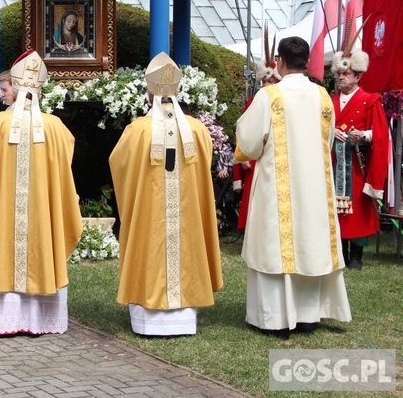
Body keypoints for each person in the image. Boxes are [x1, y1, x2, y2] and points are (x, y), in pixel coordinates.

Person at [235, 36, 351, 335]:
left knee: (275, 244)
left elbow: (248, 141)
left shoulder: (270, 96)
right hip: (313, 185)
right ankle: (308, 314)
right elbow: (326, 141)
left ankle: (273, 318)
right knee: (308, 242)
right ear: (306, 61)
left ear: (280, 61)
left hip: (278, 186)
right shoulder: (324, 97)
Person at [109, 52, 223, 336]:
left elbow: (118, 165)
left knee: (150, 245)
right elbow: (205, 168)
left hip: (149, 216)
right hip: (188, 216)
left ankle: (149, 320)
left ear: (149, 95)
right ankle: (184, 318)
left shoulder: (137, 130)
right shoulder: (197, 130)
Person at [0, 50, 83, 335]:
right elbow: (65, 160)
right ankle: (40, 319)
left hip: (5, 213)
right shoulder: (55, 127)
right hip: (41, 214)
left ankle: (5, 318)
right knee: (40, 244)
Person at [331, 46, 388, 270]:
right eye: (339, 74)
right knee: (337, 209)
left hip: (357, 163)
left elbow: (381, 134)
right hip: (335, 164)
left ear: (358, 76)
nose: (341, 78)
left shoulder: (370, 100)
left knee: (358, 210)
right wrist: (329, 132)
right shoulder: (330, 102)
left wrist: (363, 134)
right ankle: (341, 252)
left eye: (345, 74)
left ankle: (356, 254)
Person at [232, 58, 282, 232]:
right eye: (265, 81)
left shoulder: (284, 101)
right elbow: (243, 130)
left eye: (271, 81)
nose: (267, 84)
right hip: (256, 157)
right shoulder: (253, 102)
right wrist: (243, 155)